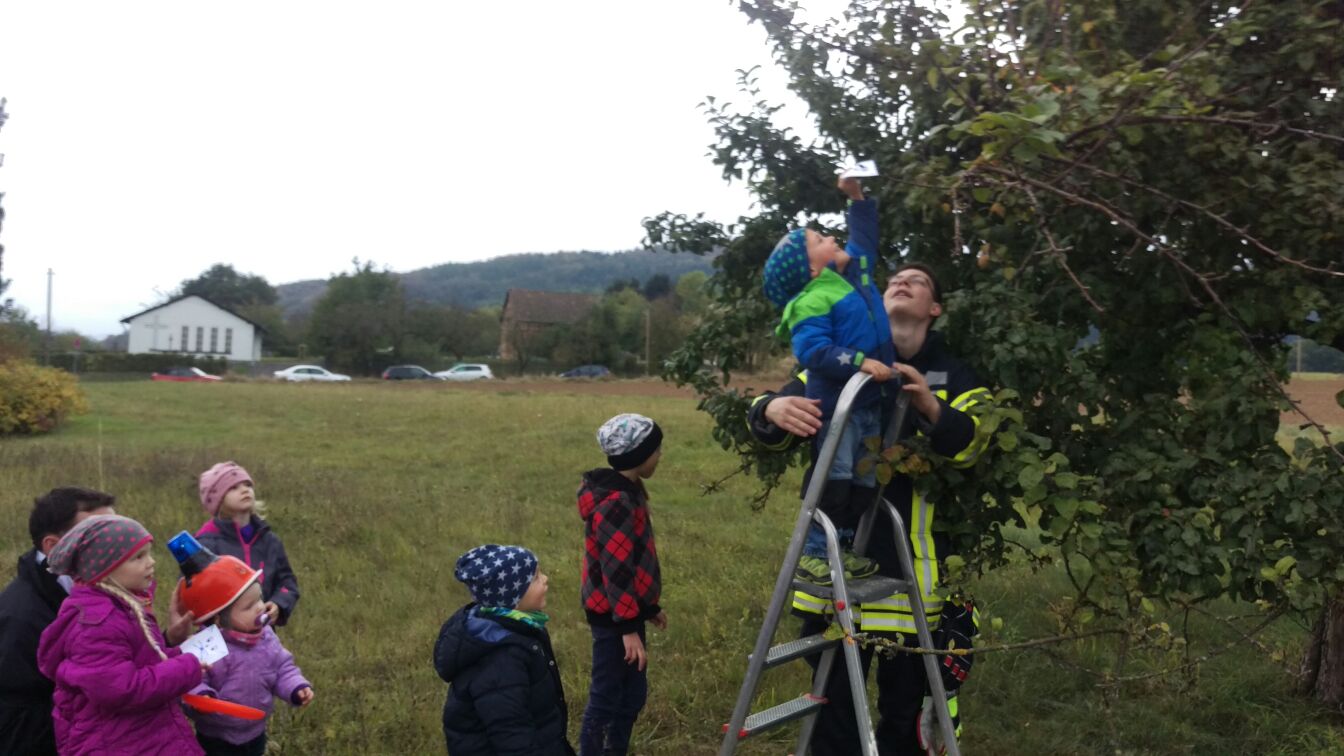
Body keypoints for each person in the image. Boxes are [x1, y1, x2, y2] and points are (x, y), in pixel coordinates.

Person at [748, 263, 990, 756]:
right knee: (833, 713)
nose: (902, 283)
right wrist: (769, 409)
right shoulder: (842, 359)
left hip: (911, 575)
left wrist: (931, 407)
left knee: (904, 716)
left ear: (935, 309)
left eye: (918, 281)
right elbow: (777, 417)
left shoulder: (957, 374)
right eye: (894, 279)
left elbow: (974, 446)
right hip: (834, 568)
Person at [761, 176, 896, 584]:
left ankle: (845, 547)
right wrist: (860, 361)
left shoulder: (850, 280)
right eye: (820, 238)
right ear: (812, 267)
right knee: (835, 478)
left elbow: (865, 242)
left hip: (867, 404)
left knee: (862, 480)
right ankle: (816, 552)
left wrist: (857, 199)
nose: (832, 237)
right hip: (840, 407)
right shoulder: (812, 300)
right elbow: (813, 352)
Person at [36, 515, 207, 756]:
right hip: (118, 743)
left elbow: (137, 661)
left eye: (149, 553)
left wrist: (177, 654)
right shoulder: (97, 624)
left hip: (142, 734)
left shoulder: (122, 607)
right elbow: (120, 689)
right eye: (138, 557)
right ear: (104, 569)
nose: (151, 562)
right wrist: (185, 668)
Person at [577, 413, 668, 756]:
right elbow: (615, 571)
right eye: (656, 450)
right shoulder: (616, 503)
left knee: (632, 695)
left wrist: (648, 608)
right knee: (607, 696)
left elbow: (631, 562)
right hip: (613, 620)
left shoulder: (628, 494)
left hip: (625, 615)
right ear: (638, 456)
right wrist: (628, 627)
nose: (660, 456)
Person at [0, 487, 116, 755]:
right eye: (100, 536)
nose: (117, 545)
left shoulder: (105, 585)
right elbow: (16, 727)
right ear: (53, 547)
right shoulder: (20, 620)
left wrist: (170, 640)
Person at [434, 544, 575, 756]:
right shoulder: (501, 660)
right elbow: (511, 734)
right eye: (536, 578)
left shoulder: (521, 628)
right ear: (512, 598)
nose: (545, 579)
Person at [174, 541, 314, 756]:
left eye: (259, 598)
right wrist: (203, 697)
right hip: (216, 737)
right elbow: (190, 677)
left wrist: (296, 687)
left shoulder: (266, 637)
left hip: (256, 730)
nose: (260, 607)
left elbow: (282, 668)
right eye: (249, 606)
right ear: (220, 619)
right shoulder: (207, 644)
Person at [194, 462, 301, 625]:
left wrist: (279, 603)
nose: (244, 490)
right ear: (218, 499)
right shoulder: (206, 543)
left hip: (263, 632)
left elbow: (287, 581)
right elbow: (194, 593)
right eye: (233, 487)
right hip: (221, 636)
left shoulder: (269, 540)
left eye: (247, 485)